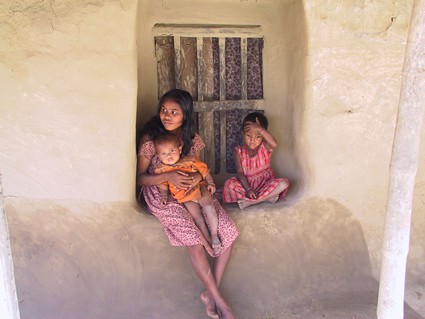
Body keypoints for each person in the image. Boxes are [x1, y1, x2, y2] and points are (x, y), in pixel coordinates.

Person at [137, 88, 238, 319]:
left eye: (174, 111)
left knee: (228, 232)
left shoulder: (192, 138)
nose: (167, 115)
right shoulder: (150, 139)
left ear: (186, 115)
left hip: (192, 191)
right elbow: (140, 178)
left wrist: (197, 179)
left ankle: (210, 294)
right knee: (194, 241)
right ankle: (221, 303)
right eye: (164, 110)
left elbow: (198, 169)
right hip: (161, 194)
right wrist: (167, 177)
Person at [153, 131, 223, 255]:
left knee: (209, 207)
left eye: (172, 151)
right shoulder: (162, 169)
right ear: (158, 156)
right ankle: (209, 241)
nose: (168, 156)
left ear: (179, 149)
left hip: (200, 188)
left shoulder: (190, 160)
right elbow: (163, 184)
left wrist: (211, 183)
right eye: (163, 154)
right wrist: (164, 195)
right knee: (198, 219)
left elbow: (204, 171)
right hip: (185, 197)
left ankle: (214, 235)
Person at [222, 112, 290, 209]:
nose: (252, 140)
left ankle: (253, 202)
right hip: (247, 186)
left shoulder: (264, 147)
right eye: (248, 135)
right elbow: (240, 172)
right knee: (229, 184)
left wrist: (260, 129)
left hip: (265, 185)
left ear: (263, 136)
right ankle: (267, 198)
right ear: (243, 133)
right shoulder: (239, 151)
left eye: (258, 136)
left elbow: (274, 144)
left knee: (284, 183)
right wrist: (248, 189)